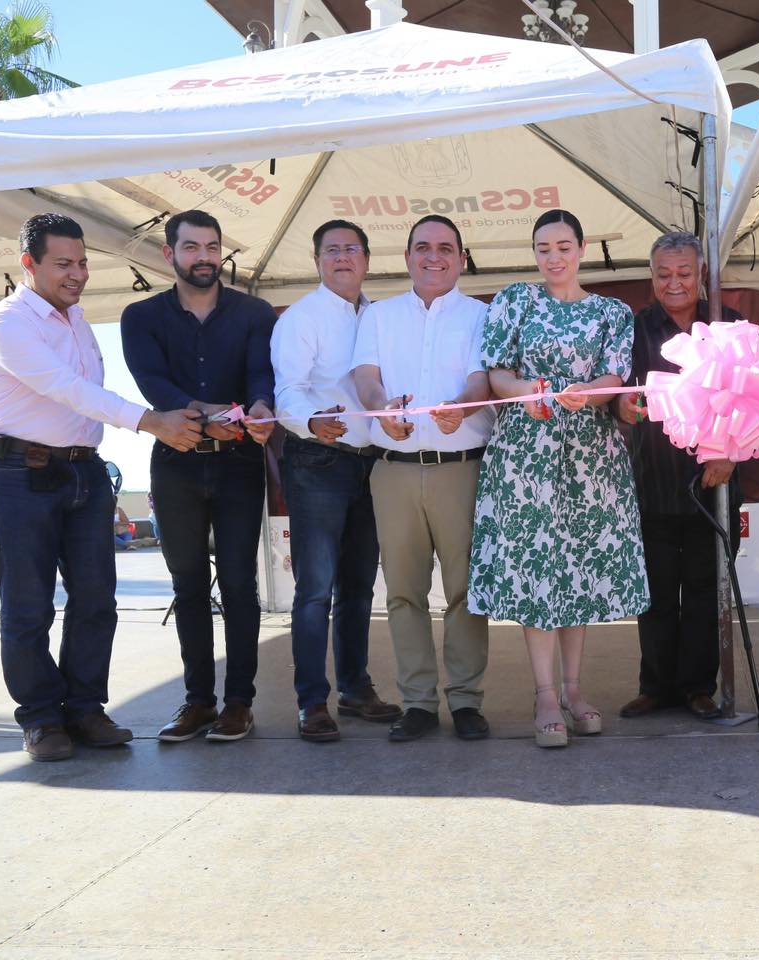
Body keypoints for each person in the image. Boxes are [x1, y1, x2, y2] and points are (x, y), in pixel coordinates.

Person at [0, 212, 202, 761]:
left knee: (97, 599)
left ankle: (84, 708)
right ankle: (41, 718)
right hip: (19, 472)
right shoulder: (6, 323)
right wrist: (150, 421)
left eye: (82, 263)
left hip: (84, 471)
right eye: (63, 264)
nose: (77, 274)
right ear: (28, 264)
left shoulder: (76, 320)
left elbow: (86, 396)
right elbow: (66, 388)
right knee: (28, 605)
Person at [468, 209, 649, 748]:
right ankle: (544, 694)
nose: (553, 257)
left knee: (578, 567)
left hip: (591, 455)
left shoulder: (613, 312)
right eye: (543, 248)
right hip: (527, 454)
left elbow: (614, 376)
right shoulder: (515, 301)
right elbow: (497, 372)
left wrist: (586, 393)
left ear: (582, 248)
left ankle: (573, 689)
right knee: (538, 567)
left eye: (563, 247)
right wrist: (528, 390)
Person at [121, 209, 276, 744]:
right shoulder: (140, 316)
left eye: (212, 247)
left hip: (239, 463)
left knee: (238, 583)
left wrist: (259, 407)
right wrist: (213, 412)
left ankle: (239, 704)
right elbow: (155, 387)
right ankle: (198, 702)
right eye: (192, 247)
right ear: (170, 254)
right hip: (176, 462)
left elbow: (262, 377)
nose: (204, 257)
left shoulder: (255, 313)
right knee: (187, 584)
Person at [352, 215, 494, 742]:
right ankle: (417, 703)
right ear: (408, 256)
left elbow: (482, 378)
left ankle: (466, 701)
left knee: (465, 591)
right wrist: (380, 408)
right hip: (394, 472)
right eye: (423, 247)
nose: (434, 256)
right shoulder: (378, 315)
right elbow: (366, 379)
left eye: (446, 248)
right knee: (403, 593)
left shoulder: (483, 315)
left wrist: (464, 405)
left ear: (462, 258)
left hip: (463, 469)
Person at [271, 219, 400, 743]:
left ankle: (355, 688)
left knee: (359, 586)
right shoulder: (301, 318)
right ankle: (311, 701)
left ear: (367, 259)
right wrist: (311, 420)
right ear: (317, 261)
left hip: (372, 463)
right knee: (315, 589)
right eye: (331, 250)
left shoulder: (381, 317)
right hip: (318, 460)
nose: (342, 257)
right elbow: (287, 392)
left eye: (351, 249)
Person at [614, 231, 742, 721]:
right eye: (664, 274)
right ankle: (655, 686)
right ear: (651, 277)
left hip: (716, 483)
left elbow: (756, 401)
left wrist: (729, 453)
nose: (674, 283)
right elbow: (618, 395)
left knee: (707, 592)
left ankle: (698, 687)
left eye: (684, 273)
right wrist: (622, 409)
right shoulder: (634, 329)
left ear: (702, 274)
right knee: (656, 592)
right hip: (652, 479)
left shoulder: (729, 326)